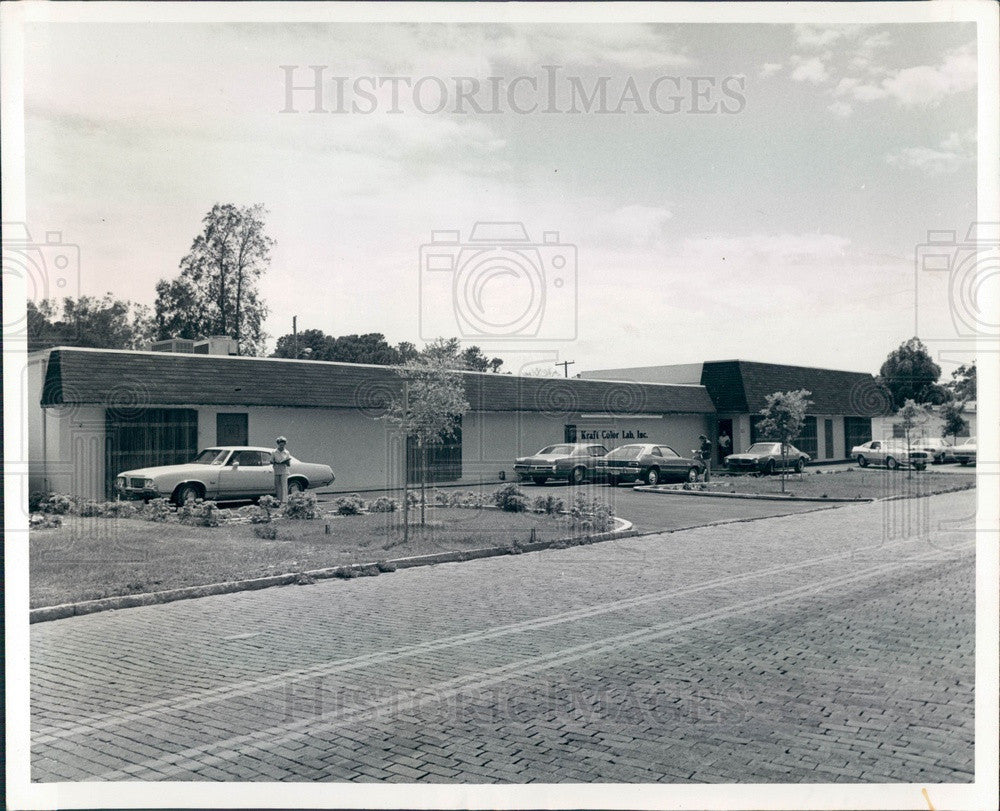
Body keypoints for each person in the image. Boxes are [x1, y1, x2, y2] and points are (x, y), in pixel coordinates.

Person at [270, 436, 292, 502]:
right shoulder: (274, 452)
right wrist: (275, 462)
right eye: (280, 444)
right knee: (277, 486)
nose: (282, 445)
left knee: (284, 486)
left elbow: (289, 464)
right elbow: (271, 461)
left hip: (284, 471)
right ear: (278, 444)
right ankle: (278, 500)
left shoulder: (286, 452)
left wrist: (286, 461)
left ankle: (284, 501)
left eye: (283, 444)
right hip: (277, 470)